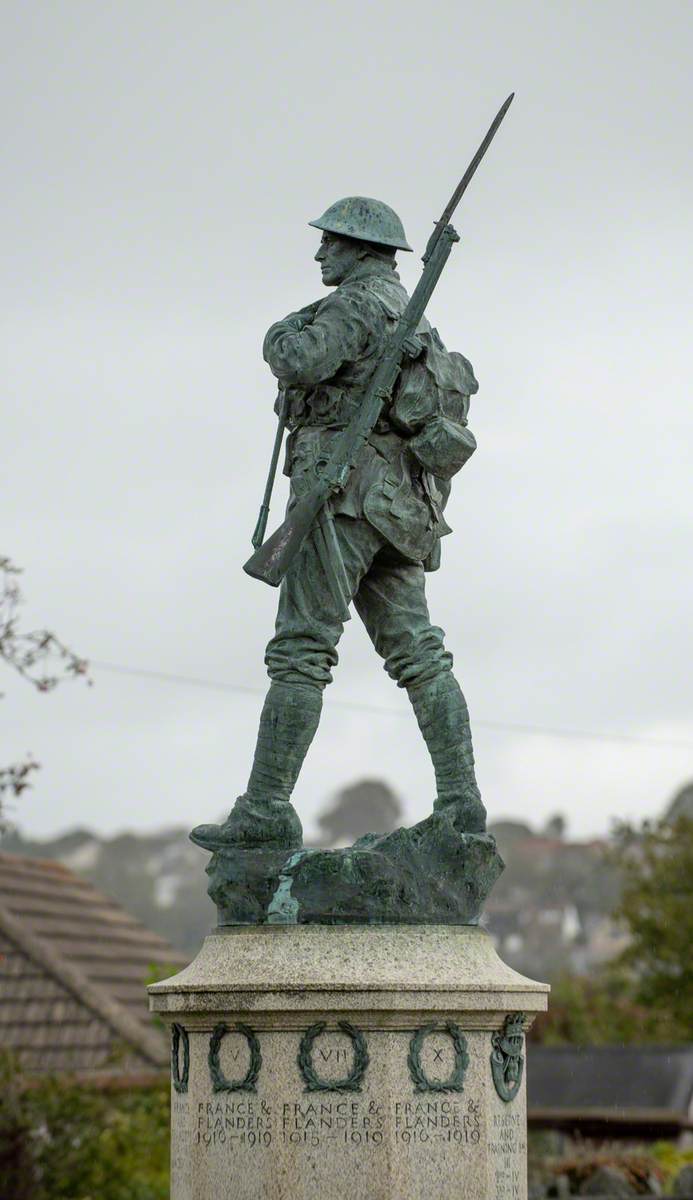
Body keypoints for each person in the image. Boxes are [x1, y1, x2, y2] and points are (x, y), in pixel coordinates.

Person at [191, 196, 485, 853]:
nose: (320, 253)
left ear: (359, 249)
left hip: (342, 495)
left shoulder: (355, 306)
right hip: (399, 509)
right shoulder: (413, 318)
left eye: (330, 243)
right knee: (419, 654)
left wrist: (285, 326)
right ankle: (462, 803)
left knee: (301, 650)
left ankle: (266, 810)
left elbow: (294, 357)